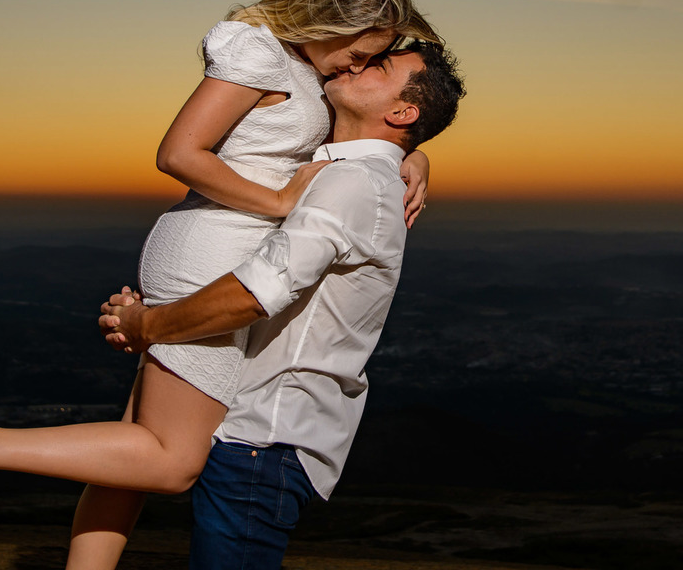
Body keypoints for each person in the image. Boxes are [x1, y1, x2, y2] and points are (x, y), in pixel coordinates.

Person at [0, 0, 442, 570]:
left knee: (130, 454)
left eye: (374, 60)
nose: (357, 66)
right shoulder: (260, 53)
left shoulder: (309, 68)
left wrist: (411, 157)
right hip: (215, 251)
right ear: (334, 20)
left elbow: (328, 144)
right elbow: (179, 152)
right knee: (171, 459)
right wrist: (279, 201)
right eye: (361, 52)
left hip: (228, 246)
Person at [100, 40, 465, 568]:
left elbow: (255, 292)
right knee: (130, 456)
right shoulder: (343, 167)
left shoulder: (351, 183)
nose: (357, 63)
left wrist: (146, 325)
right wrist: (413, 151)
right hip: (258, 437)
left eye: (378, 66)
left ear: (402, 111)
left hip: (265, 443)